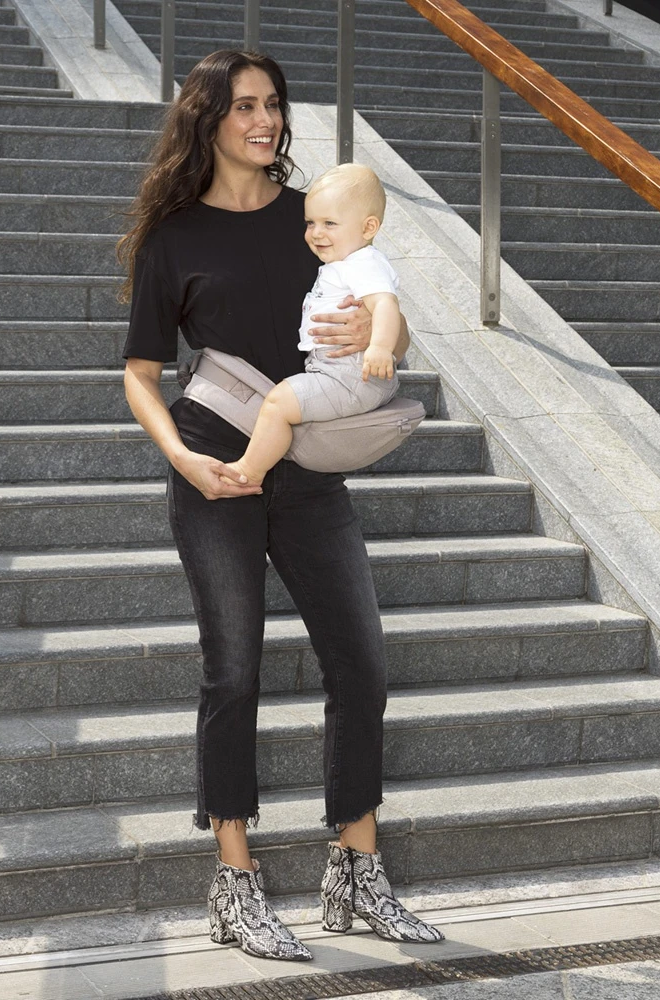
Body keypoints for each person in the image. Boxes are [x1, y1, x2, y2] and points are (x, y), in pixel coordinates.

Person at [117, 49, 443, 963]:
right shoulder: (173, 237)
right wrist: (180, 457)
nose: (266, 120)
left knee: (362, 665)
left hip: (306, 466)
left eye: (274, 104)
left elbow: (382, 306)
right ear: (209, 118)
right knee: (234, 673)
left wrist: (381, 331)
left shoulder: (313, 217)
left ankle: (357, 872)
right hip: (216, 461)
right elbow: (139, 373)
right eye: (245, 106)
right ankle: (236, 883)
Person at [220, 162, 400, 488]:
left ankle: (249, 471)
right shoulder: (345, 263)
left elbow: (386, 304)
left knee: (278, 403)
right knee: (284, 404)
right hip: (340, 371)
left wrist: (380, 347)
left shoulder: (363, 263)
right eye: (310, 223)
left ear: (368, 227)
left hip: (351, 375)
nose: (316, 233)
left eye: (330, 223)